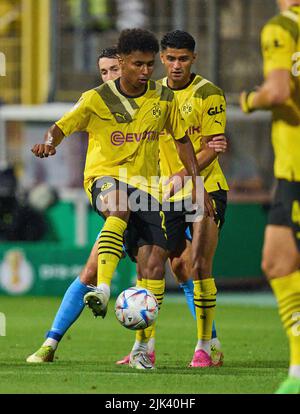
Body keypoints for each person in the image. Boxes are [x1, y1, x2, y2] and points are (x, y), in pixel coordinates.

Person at [26, 44, 226, 366]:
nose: (111, 76)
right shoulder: (96, 100)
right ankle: (61, 332)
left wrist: (196, 180)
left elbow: (183, 140)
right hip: (109, 183)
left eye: (113, 71)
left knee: (159, 266)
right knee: (96, 264)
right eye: (104, 71)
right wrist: (49, 144)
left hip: (150, 191)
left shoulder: (161, 99)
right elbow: (60, 127)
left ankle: (149, 349)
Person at [119, 30, 229, 368]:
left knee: (197, 265)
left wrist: (187, 177)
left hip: (205, 188)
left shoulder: (208, 94)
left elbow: (214, 143)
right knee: (156, 266)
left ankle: (205, 345)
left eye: (183, 58)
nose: (177, 65)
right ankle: (143, 347)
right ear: (162, 59)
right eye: (171, 58)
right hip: (161, 193)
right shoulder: (153, 95)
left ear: (193, 58)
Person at [240, 0, 300, 394]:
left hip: (297, 167)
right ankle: (297, 372)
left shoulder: (281, 26)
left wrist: (249, 99)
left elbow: (277, 90)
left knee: (278, 261)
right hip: (288, 173)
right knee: (278, 262)